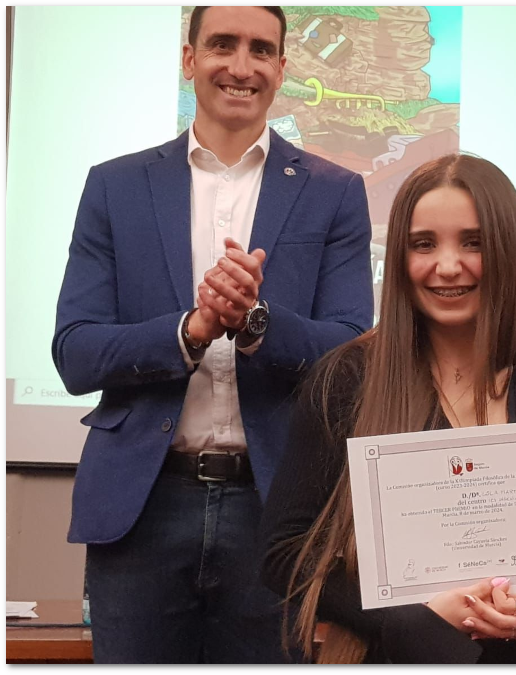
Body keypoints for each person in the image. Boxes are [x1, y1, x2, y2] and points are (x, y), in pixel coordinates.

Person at [52, 6, 373, 664]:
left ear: (281, 68)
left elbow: (351, 353)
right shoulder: (115, 186)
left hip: (275, 509)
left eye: (261, 49)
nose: (241, 65)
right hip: (142, 511)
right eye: (222, 44)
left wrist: (256, 321)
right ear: (189, 59)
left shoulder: (335, 192)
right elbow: (75, 351)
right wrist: (191, 329)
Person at [259, 154, 516, 664]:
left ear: (508, 251)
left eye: (473, 242)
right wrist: (409, 614)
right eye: (423, 244)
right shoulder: (346, 380)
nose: (447, 266)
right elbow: (284, 551)